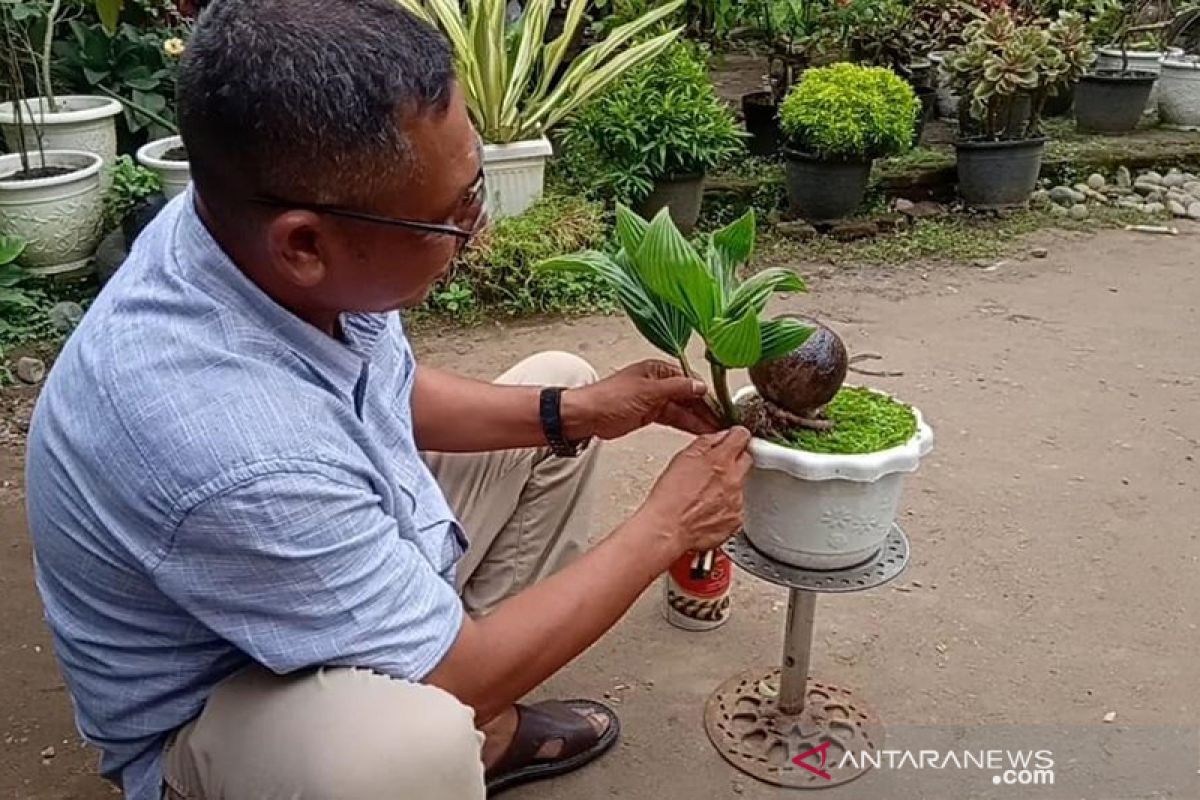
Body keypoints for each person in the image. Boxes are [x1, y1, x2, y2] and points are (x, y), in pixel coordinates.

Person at [24, 1, 753, 798]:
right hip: (219, 702)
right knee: (409, 747)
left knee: (564, 381)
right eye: (454, 215)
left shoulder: (245, 230)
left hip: (310, 565)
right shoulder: (226, 445)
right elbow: (284, 470)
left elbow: (380, 392)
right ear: (304, 244)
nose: (478, 233)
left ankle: (481, 715)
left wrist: (569, 415)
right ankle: (465, 734)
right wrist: (669, 526)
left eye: (473, 186)